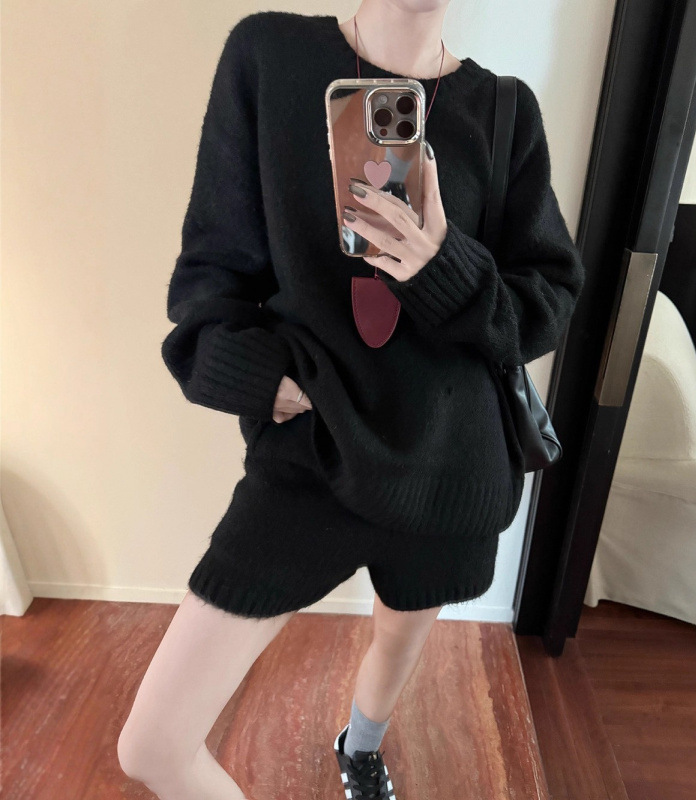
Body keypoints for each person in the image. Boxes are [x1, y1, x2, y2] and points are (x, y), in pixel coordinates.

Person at [117, 3, 585, 799]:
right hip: (313, 451)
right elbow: (212, 272)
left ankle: (360, 748)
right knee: (154, 746)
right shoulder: (269, 56)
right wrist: (254, 377)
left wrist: (443, 266)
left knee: (397, 642)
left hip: (450, 463)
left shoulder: (505, 110)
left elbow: (547, 303)